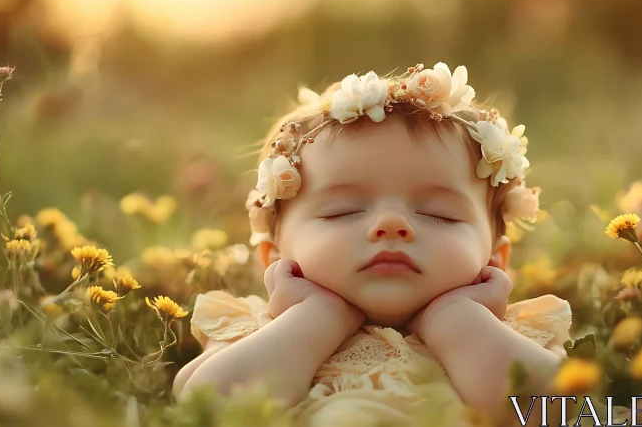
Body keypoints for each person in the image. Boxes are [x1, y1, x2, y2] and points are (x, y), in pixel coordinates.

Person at [172, 62, 573, 426]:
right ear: (273, 260)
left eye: (439, 214)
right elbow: (208, 407)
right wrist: (317, 317)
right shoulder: (256, 328)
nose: (391, 225)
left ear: (495, 261)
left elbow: (559, 411)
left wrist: (458, 320)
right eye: (343, 211)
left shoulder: (512, 334)